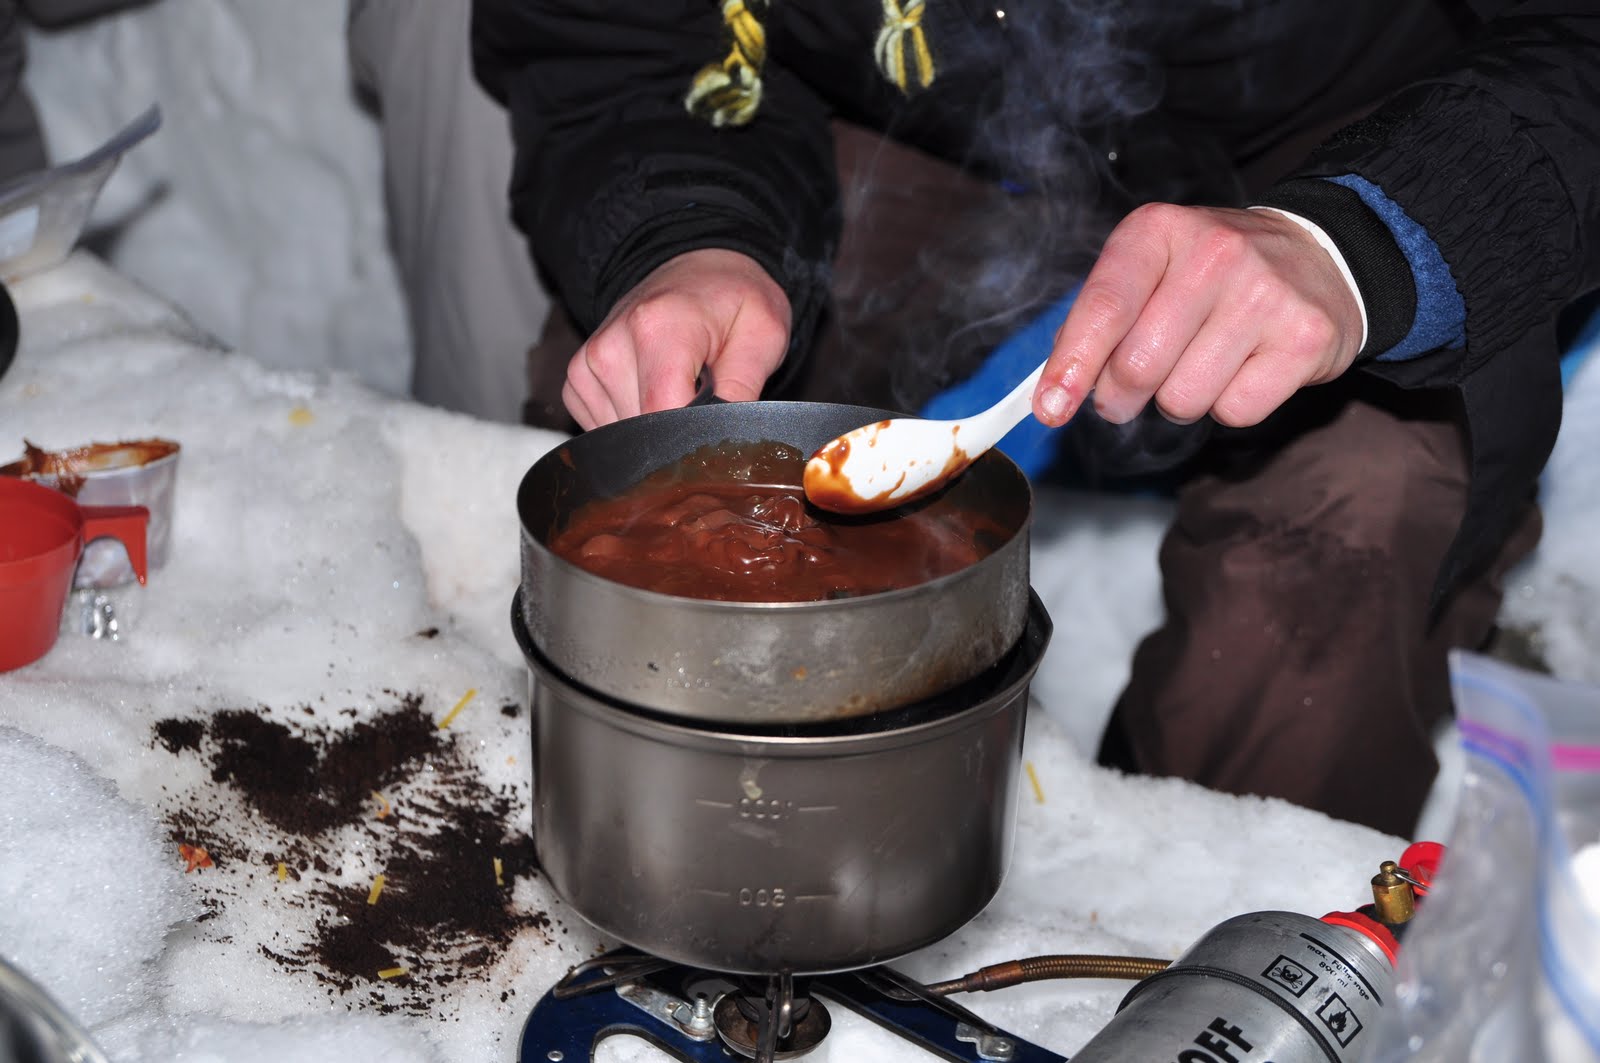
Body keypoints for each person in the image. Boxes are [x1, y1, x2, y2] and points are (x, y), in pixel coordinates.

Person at [470, 0, 1599, 837]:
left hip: (1377, 149)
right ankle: (653, 825)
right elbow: (618, 41)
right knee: (660, 406)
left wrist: (1364, 247)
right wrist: (689, 234)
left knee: (1361, 521)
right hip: (929, 141)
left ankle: (1181, 935)